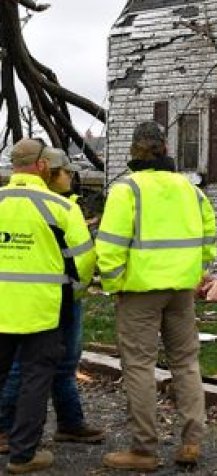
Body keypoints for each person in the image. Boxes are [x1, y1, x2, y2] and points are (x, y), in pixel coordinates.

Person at [96, 121, 217, 471]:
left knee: (139, 366)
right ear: (165, 147)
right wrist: (196, 273)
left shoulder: (127, 190)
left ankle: (144, 450)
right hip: (181, 290)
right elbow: (209, 237)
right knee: (186, 363)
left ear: (134, 150)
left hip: (140, 292)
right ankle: (192, 442)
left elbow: (111, 246)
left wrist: (114, 285)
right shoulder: (190, 189)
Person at [0, 139, 96, 473]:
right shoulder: (60, 208)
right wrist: (74, 294)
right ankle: (23, 455)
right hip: (42, 309)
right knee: (35, 379)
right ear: (42, 165)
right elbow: (84, 261)